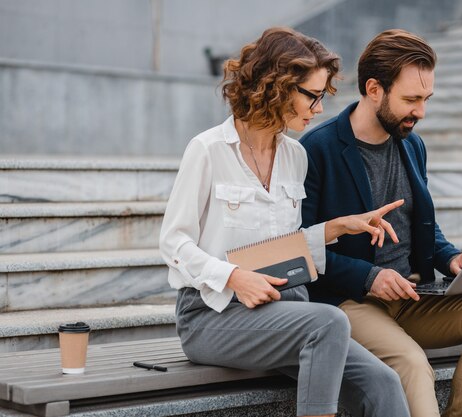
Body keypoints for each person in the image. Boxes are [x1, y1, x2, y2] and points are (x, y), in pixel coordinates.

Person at [159, 27, 411, 417]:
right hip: (212, 316)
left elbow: (281, 250)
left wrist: (336, 229)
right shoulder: (208, 150)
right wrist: (233, 277)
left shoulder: (295, 156)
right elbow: (174, 244)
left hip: (284, 311)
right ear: (276, 88)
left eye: (322, 96)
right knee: (329, 322)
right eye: (312, 96)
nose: (319, 109)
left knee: (383, 383)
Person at [300, 29, 462, 417]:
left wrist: (452, 259)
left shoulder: (412, 143)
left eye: (426, 99)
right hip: (351, 301)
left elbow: (420, 226)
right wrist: (370, 277)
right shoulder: (317, 149)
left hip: (413, 297)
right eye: (411, 99)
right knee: (412, 363)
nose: (421, 112)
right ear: (374, 89)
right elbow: (301, 248)